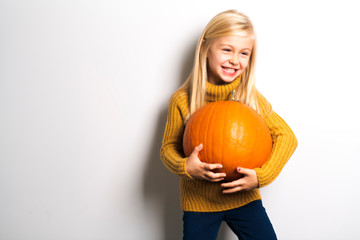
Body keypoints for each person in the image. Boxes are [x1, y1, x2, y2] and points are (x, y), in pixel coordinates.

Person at [160, 9, 298, 240]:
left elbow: (287, 136)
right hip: (199, 204)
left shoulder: (250, 98)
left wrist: (261, 176)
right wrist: (186, 167)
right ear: (205, 48)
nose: (235, 59)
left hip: (244, 199)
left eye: (244, 53)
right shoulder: (182, 100)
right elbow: (167, 149)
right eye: (227, 49)